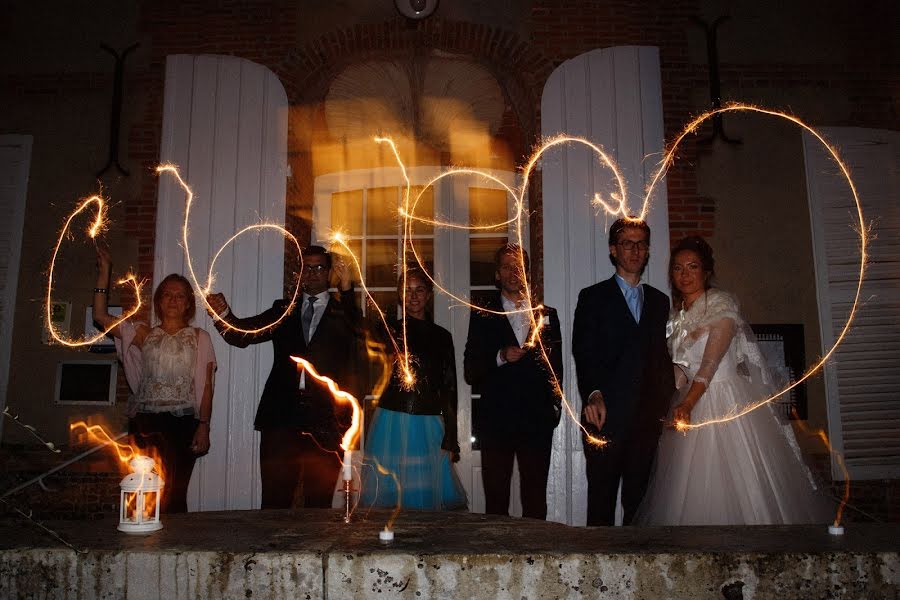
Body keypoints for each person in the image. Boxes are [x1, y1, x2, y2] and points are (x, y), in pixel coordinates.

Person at [634, 236, 831, 525]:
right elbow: (680, 372)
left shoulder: (721, 305)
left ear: (706, 271)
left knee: (737, 483)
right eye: (678, 268)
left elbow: (709, 365)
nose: (685, 275)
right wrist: (664, 403)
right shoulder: (676, 317)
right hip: (689, 402)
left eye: (692, 267)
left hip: (723, 401)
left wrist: (687, 402)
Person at [206, 246, 361, 510]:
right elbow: (242, 335)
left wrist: (347, 289)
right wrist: (221, 314)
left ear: (329, 273)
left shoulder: (342, 313)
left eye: (319, 267)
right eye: (306, 268)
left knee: (318, 502)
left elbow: (359, 333)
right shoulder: (283, 309)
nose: (311, 273)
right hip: (280, 416)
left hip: (325, 419)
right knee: (275, 500)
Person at [93, 246, 216, 514]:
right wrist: (105, 273)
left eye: (180, 295)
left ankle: (173, 551)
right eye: (167, 295)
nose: (173, 300)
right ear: (159, 301)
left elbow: (206, 387)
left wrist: (204, 425)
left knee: (175, 494)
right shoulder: (142, 334)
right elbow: (100, 317)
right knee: (145, 492)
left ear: (187, 304)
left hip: (184, 423)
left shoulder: (199, 337)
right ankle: (143, 548)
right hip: (146, 421)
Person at [572, 218, 675, 526]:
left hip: (647, 421)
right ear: (613, 250)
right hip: (605, 417)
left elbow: (662, 360)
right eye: (627, 243)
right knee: (600, 506)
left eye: (641, 244)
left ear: (647, 251)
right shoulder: (592, 297)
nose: (635, 250)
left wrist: (670, 407)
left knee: (640, 506)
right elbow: (584, 352)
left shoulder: (660, 301)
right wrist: (594, 394)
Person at [464, 244, 563, 520]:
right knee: (496, 503)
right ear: (497, 274)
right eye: (507, 266)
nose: (513, 272)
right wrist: (499, 356)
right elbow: (470, 370)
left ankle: (536, 559)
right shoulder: (482, 314)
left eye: (519, 266)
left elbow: (557, 368)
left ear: (528, 273)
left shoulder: (546, 315)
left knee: (535, 501)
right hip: (496, 421)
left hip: (537, 421)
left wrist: (554, 407)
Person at [360, 267, 467, 510]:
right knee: (389, 497)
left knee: (425, 497)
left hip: (428, 422)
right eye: (407, 290)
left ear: (429, 294)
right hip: (391, 421)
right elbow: (356, 325)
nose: (414, 295)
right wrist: (347, 289)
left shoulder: (442, 336)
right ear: (399, 295)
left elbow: (448, 387)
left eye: (420, 290)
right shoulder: (389, 331)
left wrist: (451, 437)